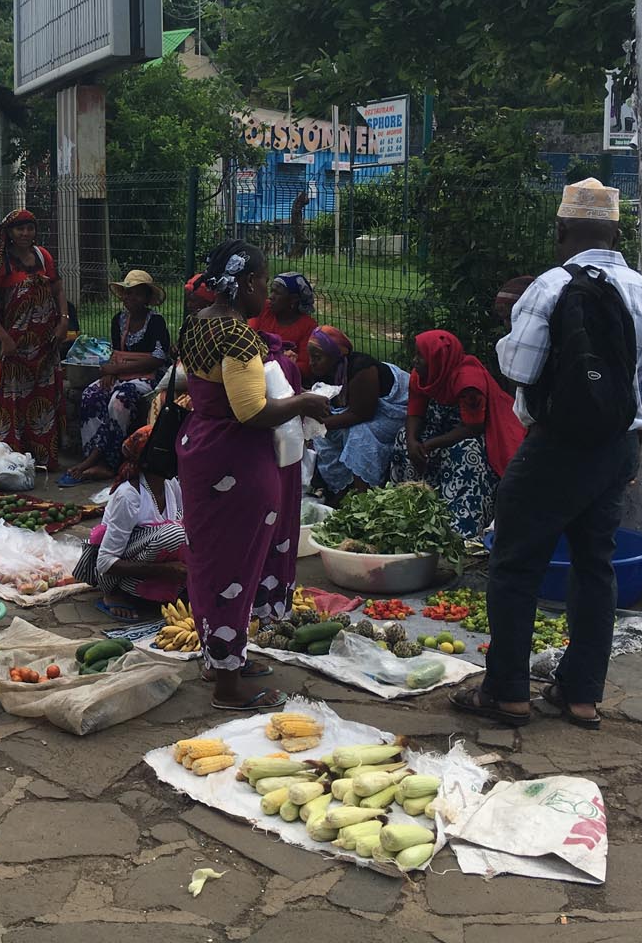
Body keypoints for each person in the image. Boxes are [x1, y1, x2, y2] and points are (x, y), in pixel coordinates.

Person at [453, 179, 642, 730]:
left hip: (554, 447)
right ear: (617, 231)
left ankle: (506, 692)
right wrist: (626, 452)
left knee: (514, 564)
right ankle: (580, 696)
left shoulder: (550, 288)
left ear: (562, 230)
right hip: (618, 446)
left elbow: (519, 371)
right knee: (595, 567)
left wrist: (514, 330)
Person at [176, 241, 328, 710]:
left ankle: (222, 658)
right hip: (235, 461)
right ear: (244, 283)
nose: (266, 290)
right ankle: (227, 685)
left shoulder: (198, 324)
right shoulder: (238, 336)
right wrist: (304, 403)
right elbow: (251, 411)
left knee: (212, 563)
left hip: (201, 450)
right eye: (263, 281)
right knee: (234, 569)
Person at [391, 329, 525, 539]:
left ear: (438, 359)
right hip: (440, 427)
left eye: (420, 356)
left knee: (464, 455)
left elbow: (473, 427)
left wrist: (429, 445)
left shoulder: (468, 381)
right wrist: (412, 441)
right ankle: (408, 508)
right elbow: (415, 411)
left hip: (473, 434)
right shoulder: (422, 375)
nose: (414, 360)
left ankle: (460, 527)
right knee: (401, 439)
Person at [0, 210, 68, 469]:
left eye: (30, 228)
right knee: (15, 400)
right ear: (9, 233)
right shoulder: (0, 263)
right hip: (15, 344)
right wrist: (3, 337)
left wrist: (64, 320)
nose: (25, 234)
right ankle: (16, 460)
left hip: (46, 344)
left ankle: (45, 459)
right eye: (19, 229)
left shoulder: (43, 257)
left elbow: (57, 288)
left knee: (43, 399)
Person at [63, 269, 172, 486]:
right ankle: (92, 455)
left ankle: (109, 463)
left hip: (147, 378)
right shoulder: (118, 320)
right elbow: (116, 352)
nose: (131, 299)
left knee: (119, 402)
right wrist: (112, 371)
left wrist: (116, 371)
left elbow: (158, 358)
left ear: (148, 299)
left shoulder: (156, 322)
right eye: (127, 294)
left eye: (137, 294)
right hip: (121, 373)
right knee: (91, 394)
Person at [71, 426, 187, 621]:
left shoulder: (171, 485)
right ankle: (115, 593)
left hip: (152, 558)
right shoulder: (129, 495)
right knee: (175, 532)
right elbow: (105, 561)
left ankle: (163, 590)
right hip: (114, 572)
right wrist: (167, 570)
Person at [307, 325, 411, 502]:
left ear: (335, 356)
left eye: (317, 357)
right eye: (310, 357)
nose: (311, 362)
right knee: (324, 437)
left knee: (359, 435)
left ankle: (364, 499)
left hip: (396, 411)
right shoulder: (326, 370)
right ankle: (339, 491)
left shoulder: (362, 369)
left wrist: (316, 425)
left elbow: (361, 415)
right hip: (364, 411)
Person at [249, 272, 317, 381]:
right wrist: (283, 361)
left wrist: (278, 363)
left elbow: (306, 367)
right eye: (271, 291)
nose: (271, 297)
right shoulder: (264, 309)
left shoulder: (308, 326)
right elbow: (249, 340)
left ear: (293, 299)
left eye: (277, 293)